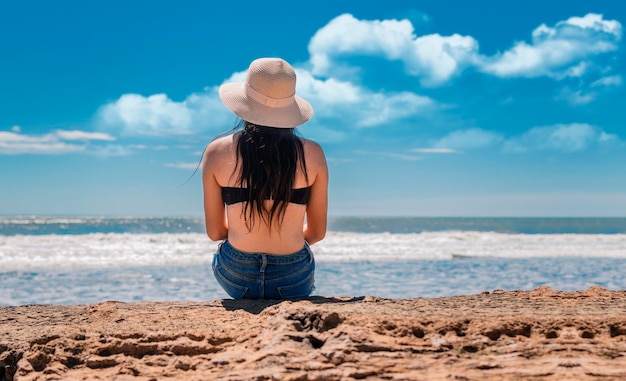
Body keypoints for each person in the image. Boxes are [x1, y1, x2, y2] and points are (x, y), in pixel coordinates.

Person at [202, 57, 329, 299]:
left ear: (245, 102)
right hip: (292, 278)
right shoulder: (313, 153)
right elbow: (316, 232)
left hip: (237, 277)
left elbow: (216, 232)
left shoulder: (216, 151)